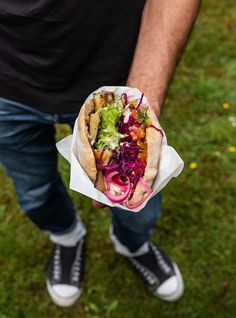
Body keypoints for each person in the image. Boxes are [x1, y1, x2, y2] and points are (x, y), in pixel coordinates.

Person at [0, 0, 200, 307]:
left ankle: (133, 245)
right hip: (6, 93)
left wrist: (139, 103)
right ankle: (67, 237)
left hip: (113, 81)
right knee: (34, 191)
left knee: (139, 209)